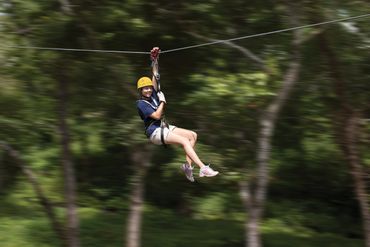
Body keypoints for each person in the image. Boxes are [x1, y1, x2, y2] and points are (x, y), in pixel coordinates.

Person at [136, 47, 219, 182]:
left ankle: (188, 166)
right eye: (145, 88)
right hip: (154, 132)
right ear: (140, 90)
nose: (148, 90)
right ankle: (203, 168)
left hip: (163, 127)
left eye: (149, 88)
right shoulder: (141, 103)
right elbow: (156, 116)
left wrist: (155, 60)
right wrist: (163, 101)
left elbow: (155, 75)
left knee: (192, 135)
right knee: (184, 141)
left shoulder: (154, 94)